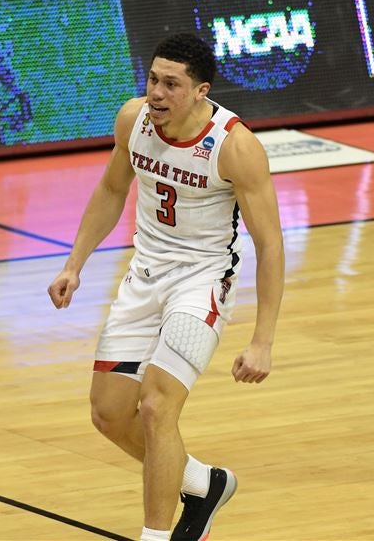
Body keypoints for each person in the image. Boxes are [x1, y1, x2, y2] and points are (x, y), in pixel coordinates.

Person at [48, 32, 283, 540]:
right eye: (153, 79)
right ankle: (202, 481)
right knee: (108, 414)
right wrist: (74, 264)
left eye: (170, 84)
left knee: (157, 407)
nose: (156, 93)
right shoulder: (133, 120)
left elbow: (270, 245)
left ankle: (155, 536)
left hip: (202, 282)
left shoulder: (235, 147)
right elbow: (113, 189)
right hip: (145, 275)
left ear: (200, 91)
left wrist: (262, 339)